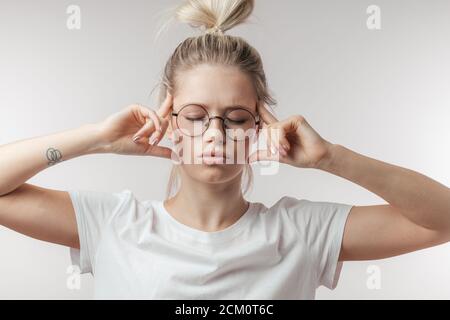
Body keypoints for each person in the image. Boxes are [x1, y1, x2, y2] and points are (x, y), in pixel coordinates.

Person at [0, 0, 449, 299]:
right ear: (169, 123)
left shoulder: (302, 230)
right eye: (195, 116)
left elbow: (442, 219)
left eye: (235, 117)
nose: (216, 133)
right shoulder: (113, 224)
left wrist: (330, 156)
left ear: (259, 125)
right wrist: (95, 138)